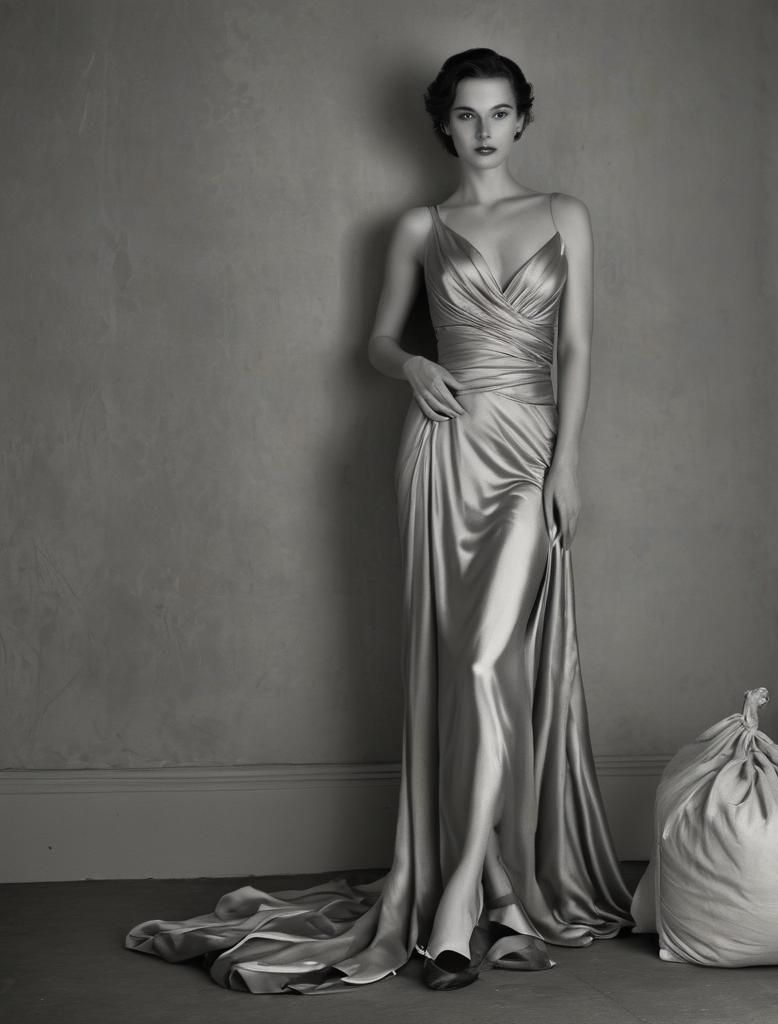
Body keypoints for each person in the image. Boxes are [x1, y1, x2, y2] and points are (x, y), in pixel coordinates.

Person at [125, 48, 632, 994]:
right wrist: (414, 368)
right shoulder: (419, 225)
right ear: (447, 125)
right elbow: (374, 339)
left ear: (524, 120)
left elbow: (578, 343)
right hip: (439, 456)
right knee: (460, 670)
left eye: (501, 112)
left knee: (492, 663)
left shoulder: (566, 217)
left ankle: (468, 906)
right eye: (468, 115)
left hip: (527, 458)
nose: (484, 129)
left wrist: (567, 464)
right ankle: (469, 901)